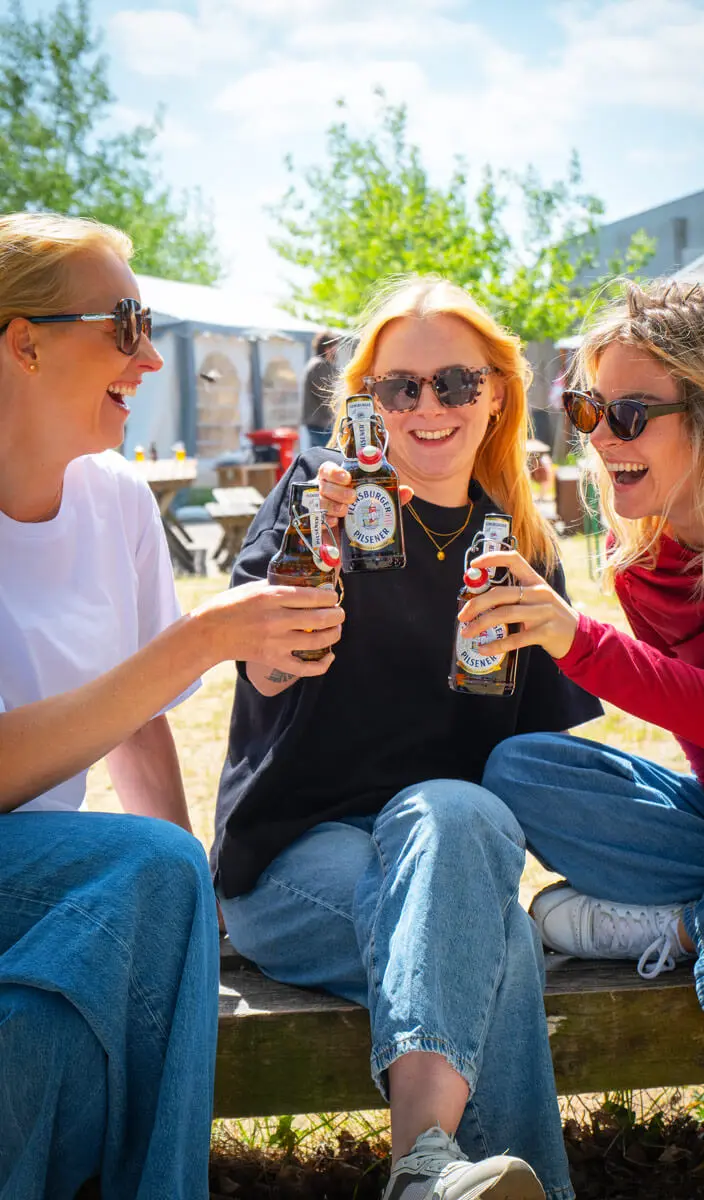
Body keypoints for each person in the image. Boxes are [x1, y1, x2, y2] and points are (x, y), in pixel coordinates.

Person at [214, 276, 602, 1200]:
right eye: (400, 387)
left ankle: (426, 1177)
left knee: (456, 811)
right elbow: (262, 672)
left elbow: (534, 769)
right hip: (292, 864)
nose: (429, 406)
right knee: (497, 942)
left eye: (456, 382)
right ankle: (432, 1166)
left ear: (497, 393)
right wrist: (312, 560)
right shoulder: (318, 502)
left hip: (450, 853)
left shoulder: (521, 548)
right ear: (367, 402)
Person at [0, 212, 344, 1198]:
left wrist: (199, 907)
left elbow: (137, 721)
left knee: (47, 1029)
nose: (150, 358)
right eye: (124, 325)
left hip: (41, 887)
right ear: (23, 343)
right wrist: (199, 639)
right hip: (44, 877)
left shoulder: (115, 497)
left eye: (149, 326)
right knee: (151, 871)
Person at [466, 280, 704, 1032]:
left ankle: (690, 929)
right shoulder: (643, 565)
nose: (602, 437)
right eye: (590, 410)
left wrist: (581, 643)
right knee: (521, 768)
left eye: (630, 414)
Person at [301, 329, 339, 448]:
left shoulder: (317, 364)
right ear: (327, 348)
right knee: (327, 454)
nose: (336, 350)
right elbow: (325, 394)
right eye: (334, 347)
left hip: (319, 423)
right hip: (321, 424)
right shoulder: (319, 365)